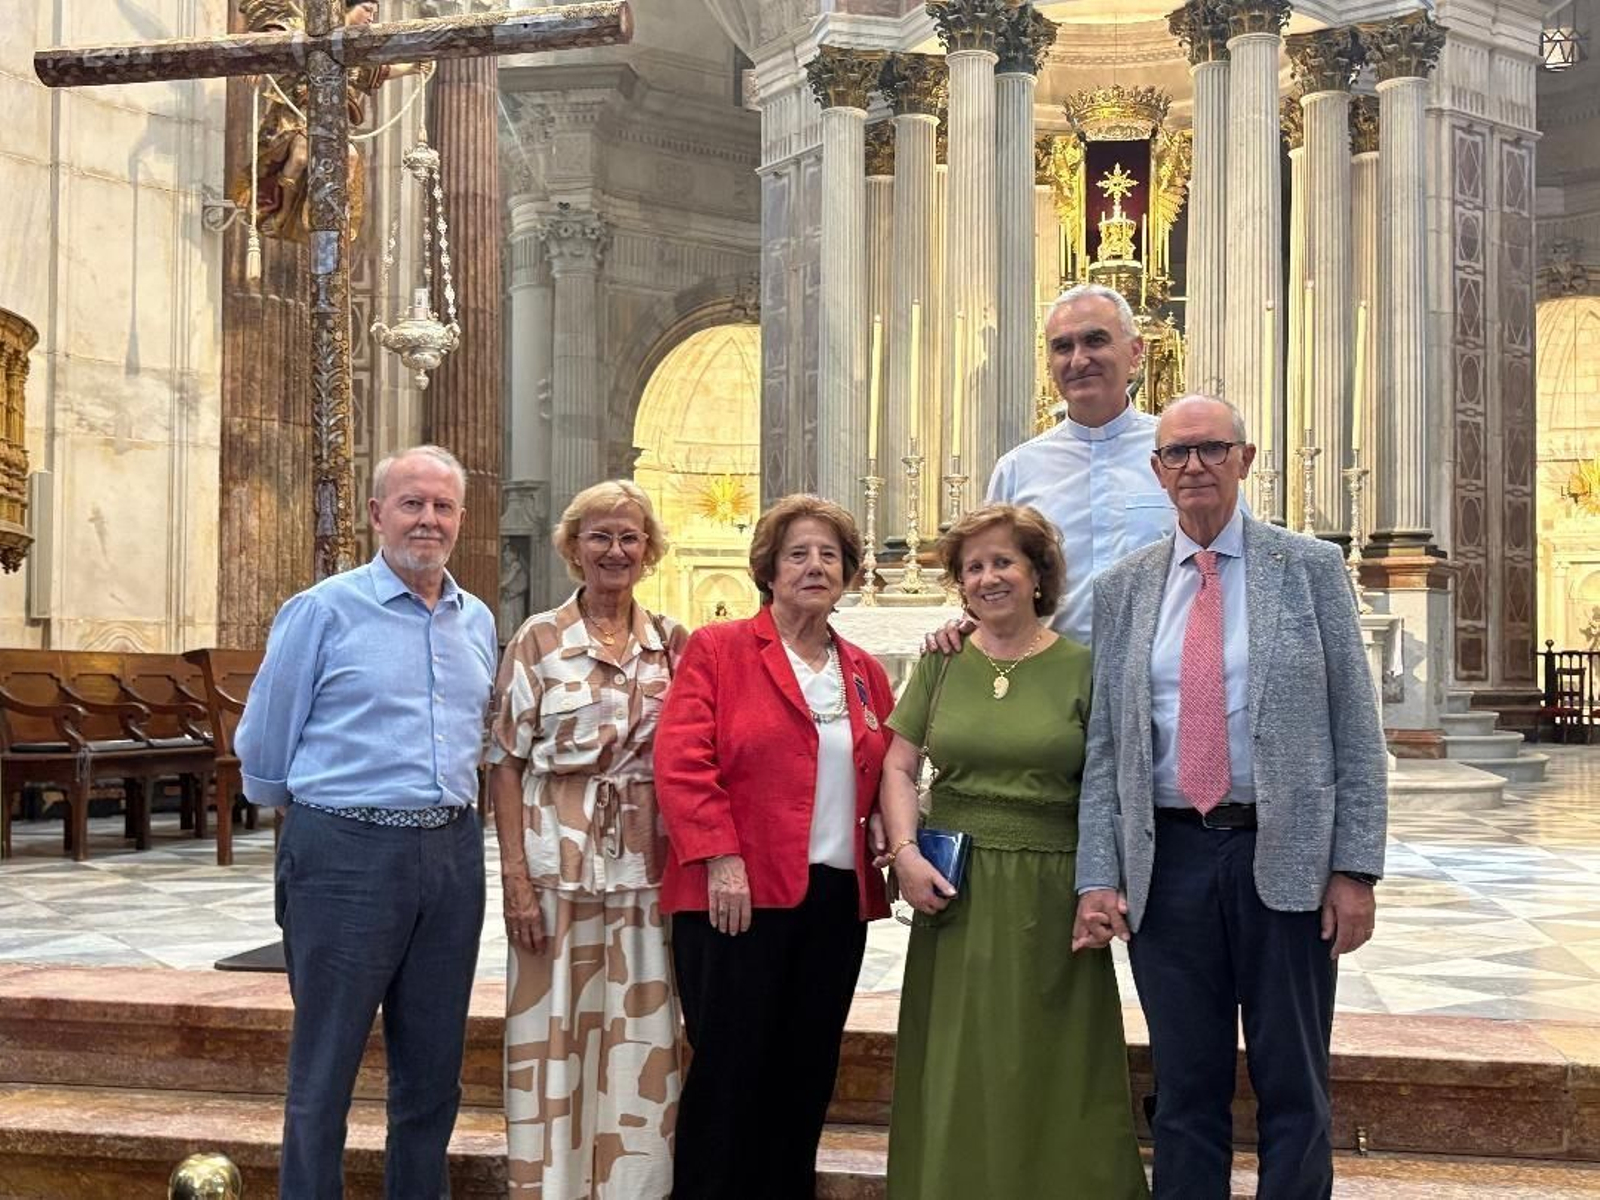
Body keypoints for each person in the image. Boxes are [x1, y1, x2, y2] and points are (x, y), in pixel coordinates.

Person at [1073, 395, 1389, 1199]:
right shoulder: (1123, 589)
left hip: (1284, 856)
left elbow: (1356, 727)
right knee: (1184, 1089)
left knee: (1294, 1083)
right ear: (1157, 471)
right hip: (1168, 860)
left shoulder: (1309, 569)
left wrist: (1355, 869)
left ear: (1245, 459)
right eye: (1177, 454)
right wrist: (1098, 875)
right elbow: (1107, 748)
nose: (1195, 467)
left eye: (1212, 449)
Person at [237, 444, 498, 1197]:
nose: (428, 520)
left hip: (451, 855)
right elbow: (265, 741)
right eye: (412, 503)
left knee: (434, 1070)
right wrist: (324, 825)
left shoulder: (476, 619)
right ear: (378, 514)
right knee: (325, 1068)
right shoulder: (323, 610)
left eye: (443, 506)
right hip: (345, 853)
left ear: (460, 519)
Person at [880, 503, 1148, 1200]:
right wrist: (905, 853)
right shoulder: (941, 662)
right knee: (962, 1058)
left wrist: (1103, 884)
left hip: (1053, 892)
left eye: (1003, 561)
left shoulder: (1084, 668)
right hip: (956, 891)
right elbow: (898, 765)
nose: (988, 577)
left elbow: (1110, 786)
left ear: (1037, 574)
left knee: (1051, 1062)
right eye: (973, 567)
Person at [654, 495, 896, 1200]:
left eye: (830, 555)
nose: (815, 566)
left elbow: (883, 764)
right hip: (736, 896)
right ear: (768, 569)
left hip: (834, 900)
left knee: (806, 1075)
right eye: (798, 554)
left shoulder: (863, 669)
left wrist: (884, 822)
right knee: (729, 1075)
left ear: (849, 572)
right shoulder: (719, 649)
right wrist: (721, 857)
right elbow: (681, 760)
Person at [489, 480, 687, 1199]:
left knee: (644, 1040)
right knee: (552, 1038)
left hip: (647, 869)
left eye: (630, 537)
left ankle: (636, 1188)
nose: (615, 550)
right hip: (553, 866)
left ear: (649, 549)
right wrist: (514, 878)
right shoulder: (538, 638)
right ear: (573, 547)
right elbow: (504, 763)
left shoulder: (675, 644)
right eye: (600, 535)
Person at [985, 282, 1176, 644]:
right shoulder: (1017, 470)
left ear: (1135, 352)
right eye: (1062, 347)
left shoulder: (1181, 455)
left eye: (1095, 341)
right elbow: (988, 579)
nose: (1078, 360)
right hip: (1049, 672)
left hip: (1159, 671)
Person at [235, 0, 432, 242]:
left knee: (351, 157)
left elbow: (379, 71)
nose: (371, 18)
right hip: (296, 115)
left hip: (332, 122)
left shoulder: (354, 50)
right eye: (367, 10)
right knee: (300, 155)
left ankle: (331, 210)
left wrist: (413, 68)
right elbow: (270, 38)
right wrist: (254, 62)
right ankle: (284, 211)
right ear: (347, 6)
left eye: (374, 13)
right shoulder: (305, 29)